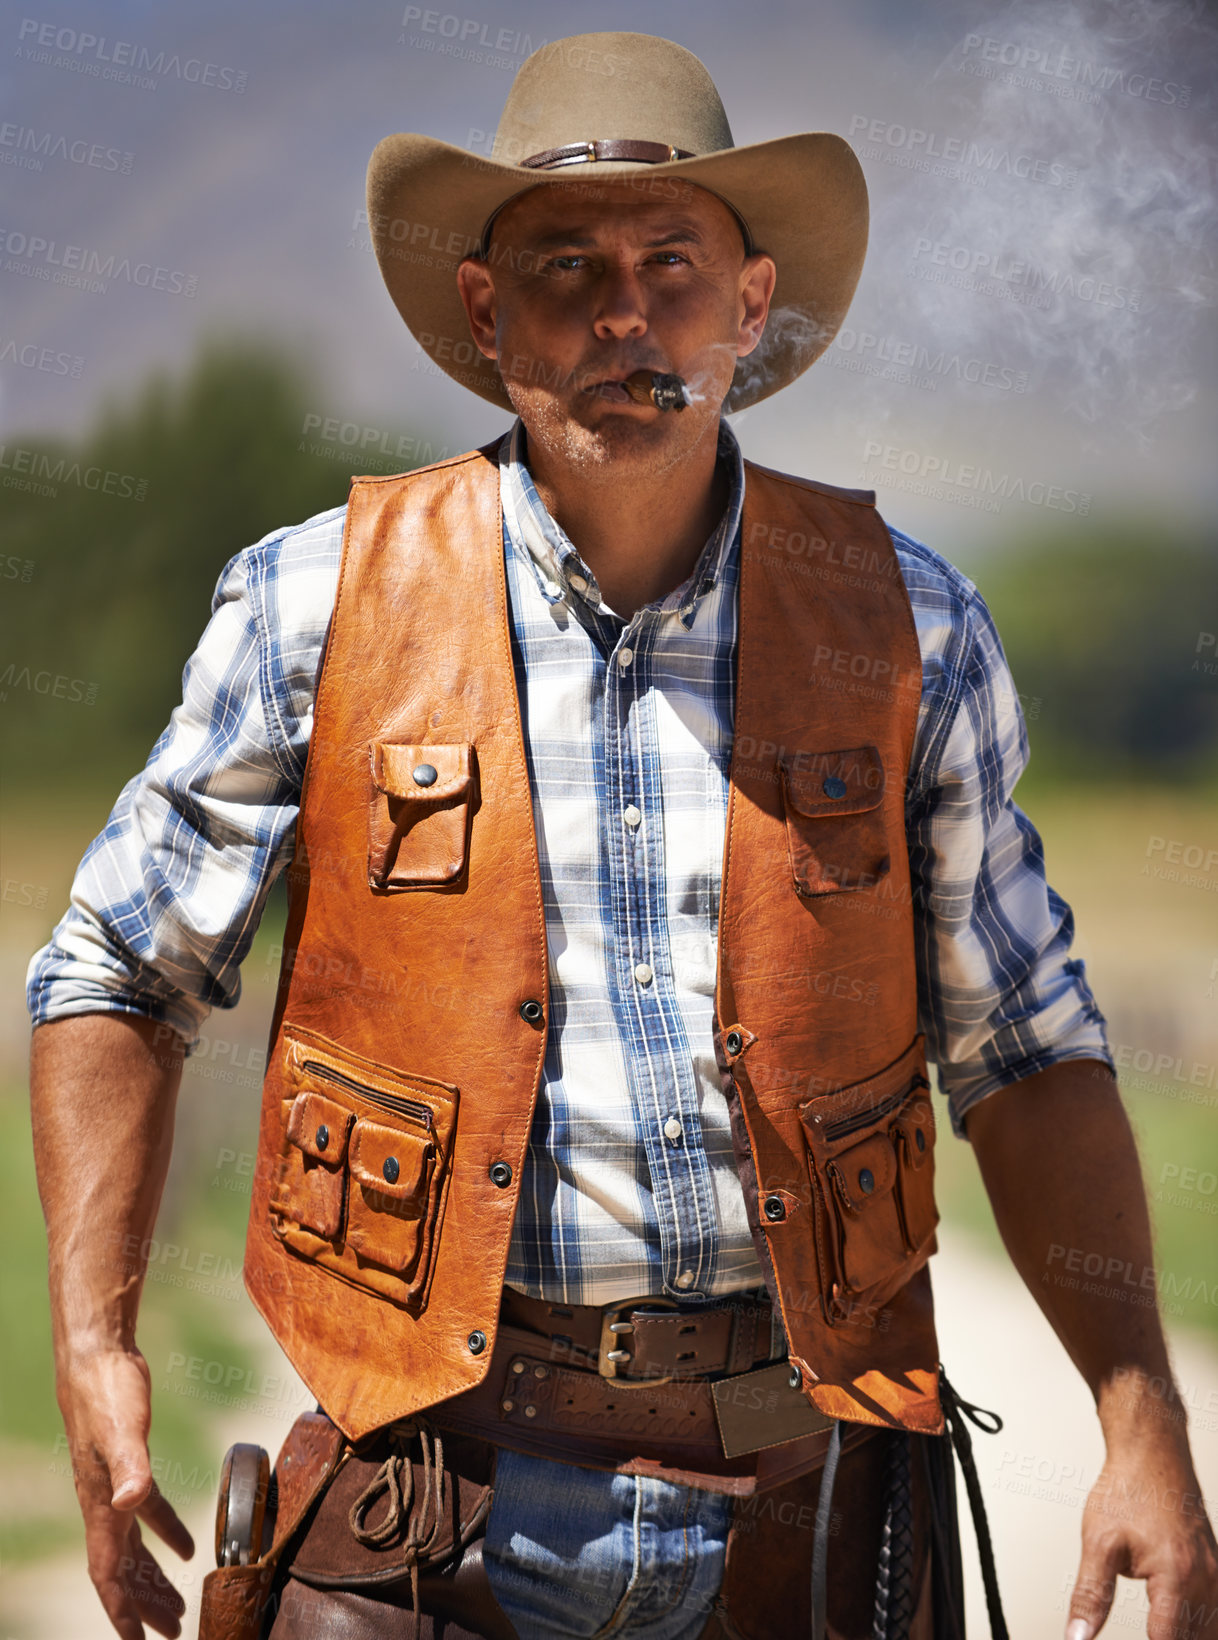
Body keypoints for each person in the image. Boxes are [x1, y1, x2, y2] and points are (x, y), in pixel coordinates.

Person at [26, 29, 1216, 1640]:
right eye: (564, 266)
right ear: (483, 311)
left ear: (746, 307)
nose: (621, 314)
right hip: (420, 1502)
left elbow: (1026, 1047)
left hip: (806, 1509)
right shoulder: (316, 606)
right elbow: (118, 967)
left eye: (672, 264)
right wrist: (92, 1342)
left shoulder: (908, 626)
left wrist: (1140, 1415)